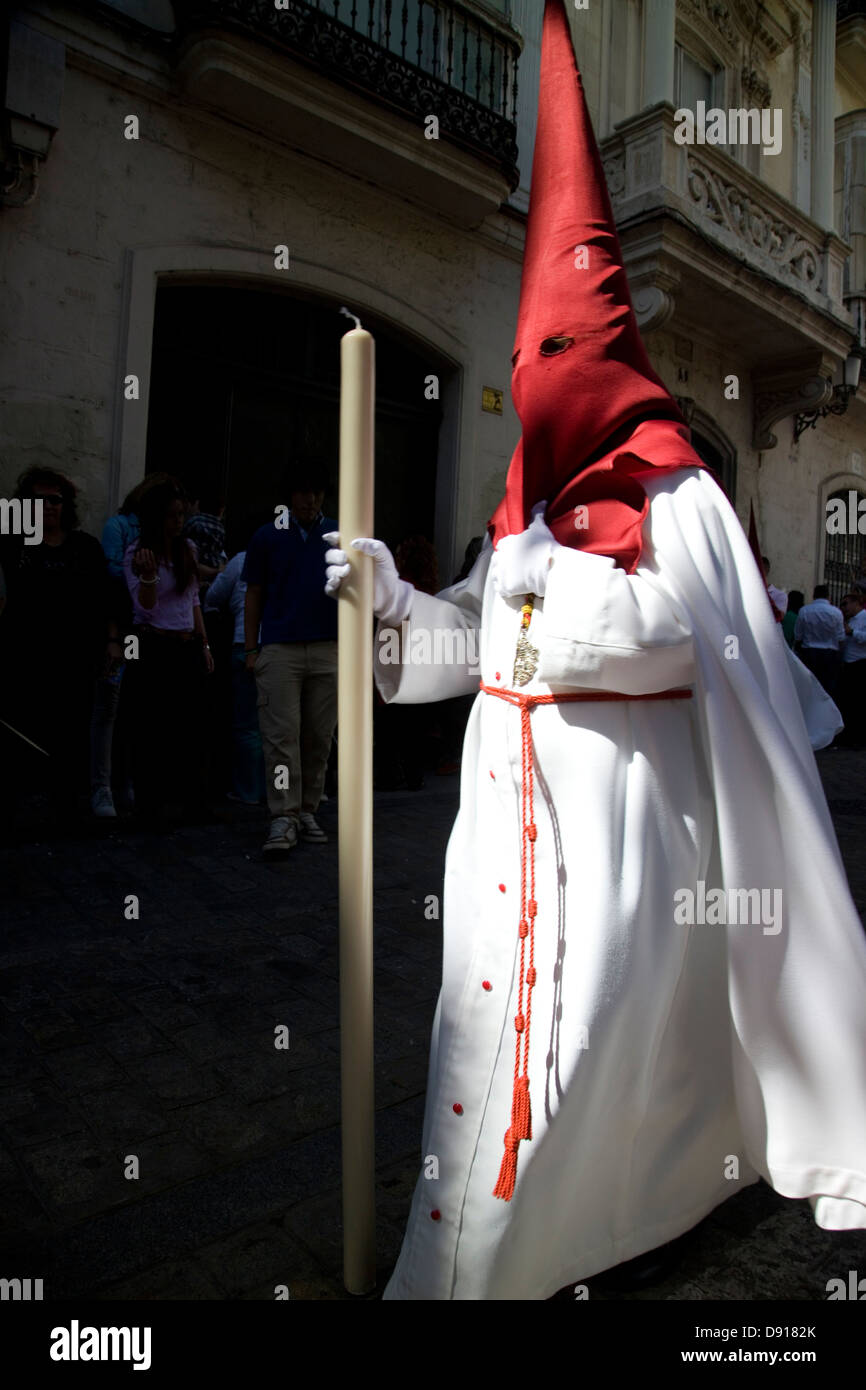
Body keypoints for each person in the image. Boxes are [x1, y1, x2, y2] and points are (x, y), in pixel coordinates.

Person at [327, 0, 866, 1301]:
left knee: (563, 1055)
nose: (535, 373)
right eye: (525, 355)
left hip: (614, 842)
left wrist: (514, 635)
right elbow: (469, 644)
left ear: (613, 356)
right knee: (501, 1054)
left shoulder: (673, 487)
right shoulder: (520, 504)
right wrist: (397, 603)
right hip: (500, 837)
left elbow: (663, 632)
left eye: (558, 349)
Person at [0, 467, 114, 829]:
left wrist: (113, 643)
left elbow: (108, 600)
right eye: (37, 500)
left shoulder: (85, 548)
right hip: (25, 660)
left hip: (75, 660)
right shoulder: (15, 547)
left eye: (55, 499)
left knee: (71, 733)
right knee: (24, 735)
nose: (47, 507)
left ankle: (67, 809)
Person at [243, 465, 338, 853]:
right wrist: (252, 649)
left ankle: (307, 810)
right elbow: (254, 594)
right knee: (282, 739)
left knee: (319, 738)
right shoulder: (267, 536)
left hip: (329, 647)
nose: (309, 500)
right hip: (280, 648)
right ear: (288, 497)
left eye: (316, 492)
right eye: (302, 492)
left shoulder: (337, 535)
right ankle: (283, 815)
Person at [122, 479, 214, 825]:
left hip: (185, 644)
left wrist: (204, 644)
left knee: (191, 727)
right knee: (152, 727)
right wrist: (148, 577)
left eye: (182, 514)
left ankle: (192, 801)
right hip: (154, 645)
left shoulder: (186, 548)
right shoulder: (138, 552)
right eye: (172, 515)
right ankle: (151, 805)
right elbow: (143, 608)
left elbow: (193, 600)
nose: (178, 521)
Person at [91, 472, 173, 818]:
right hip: (124, 628)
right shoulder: (120, 527)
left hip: (147, 631)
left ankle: (128, 780)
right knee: (110, 703)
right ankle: (103, 785)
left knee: (135, 707)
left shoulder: (167, 538)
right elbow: (112, 581)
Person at [205, 543, 266, 805]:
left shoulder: (241, 560)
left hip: (244, 645)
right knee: (277, 726)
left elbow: (212, 598)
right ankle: (276, 791)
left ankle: (248, 792)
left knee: (247, 725)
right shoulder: (286, 559)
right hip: (282, 648)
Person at [793, 584, 845, 696]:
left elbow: (798, 636)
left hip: (809, 652)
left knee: (809, 687)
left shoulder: (804, 611)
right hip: (830, 654)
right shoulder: (836, 612)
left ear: (814, 596)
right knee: (828, 688)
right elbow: (841, 637)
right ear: (828, 596)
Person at [835, 592, 866, 748]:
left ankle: (859, 738)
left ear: (856, 603)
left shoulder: (864, 617)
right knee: (849, 702)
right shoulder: (850, 620)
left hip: (860, 664)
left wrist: (852, 632)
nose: (843, 608)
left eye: (845, 604)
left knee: (858, 703)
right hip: (849, 663)